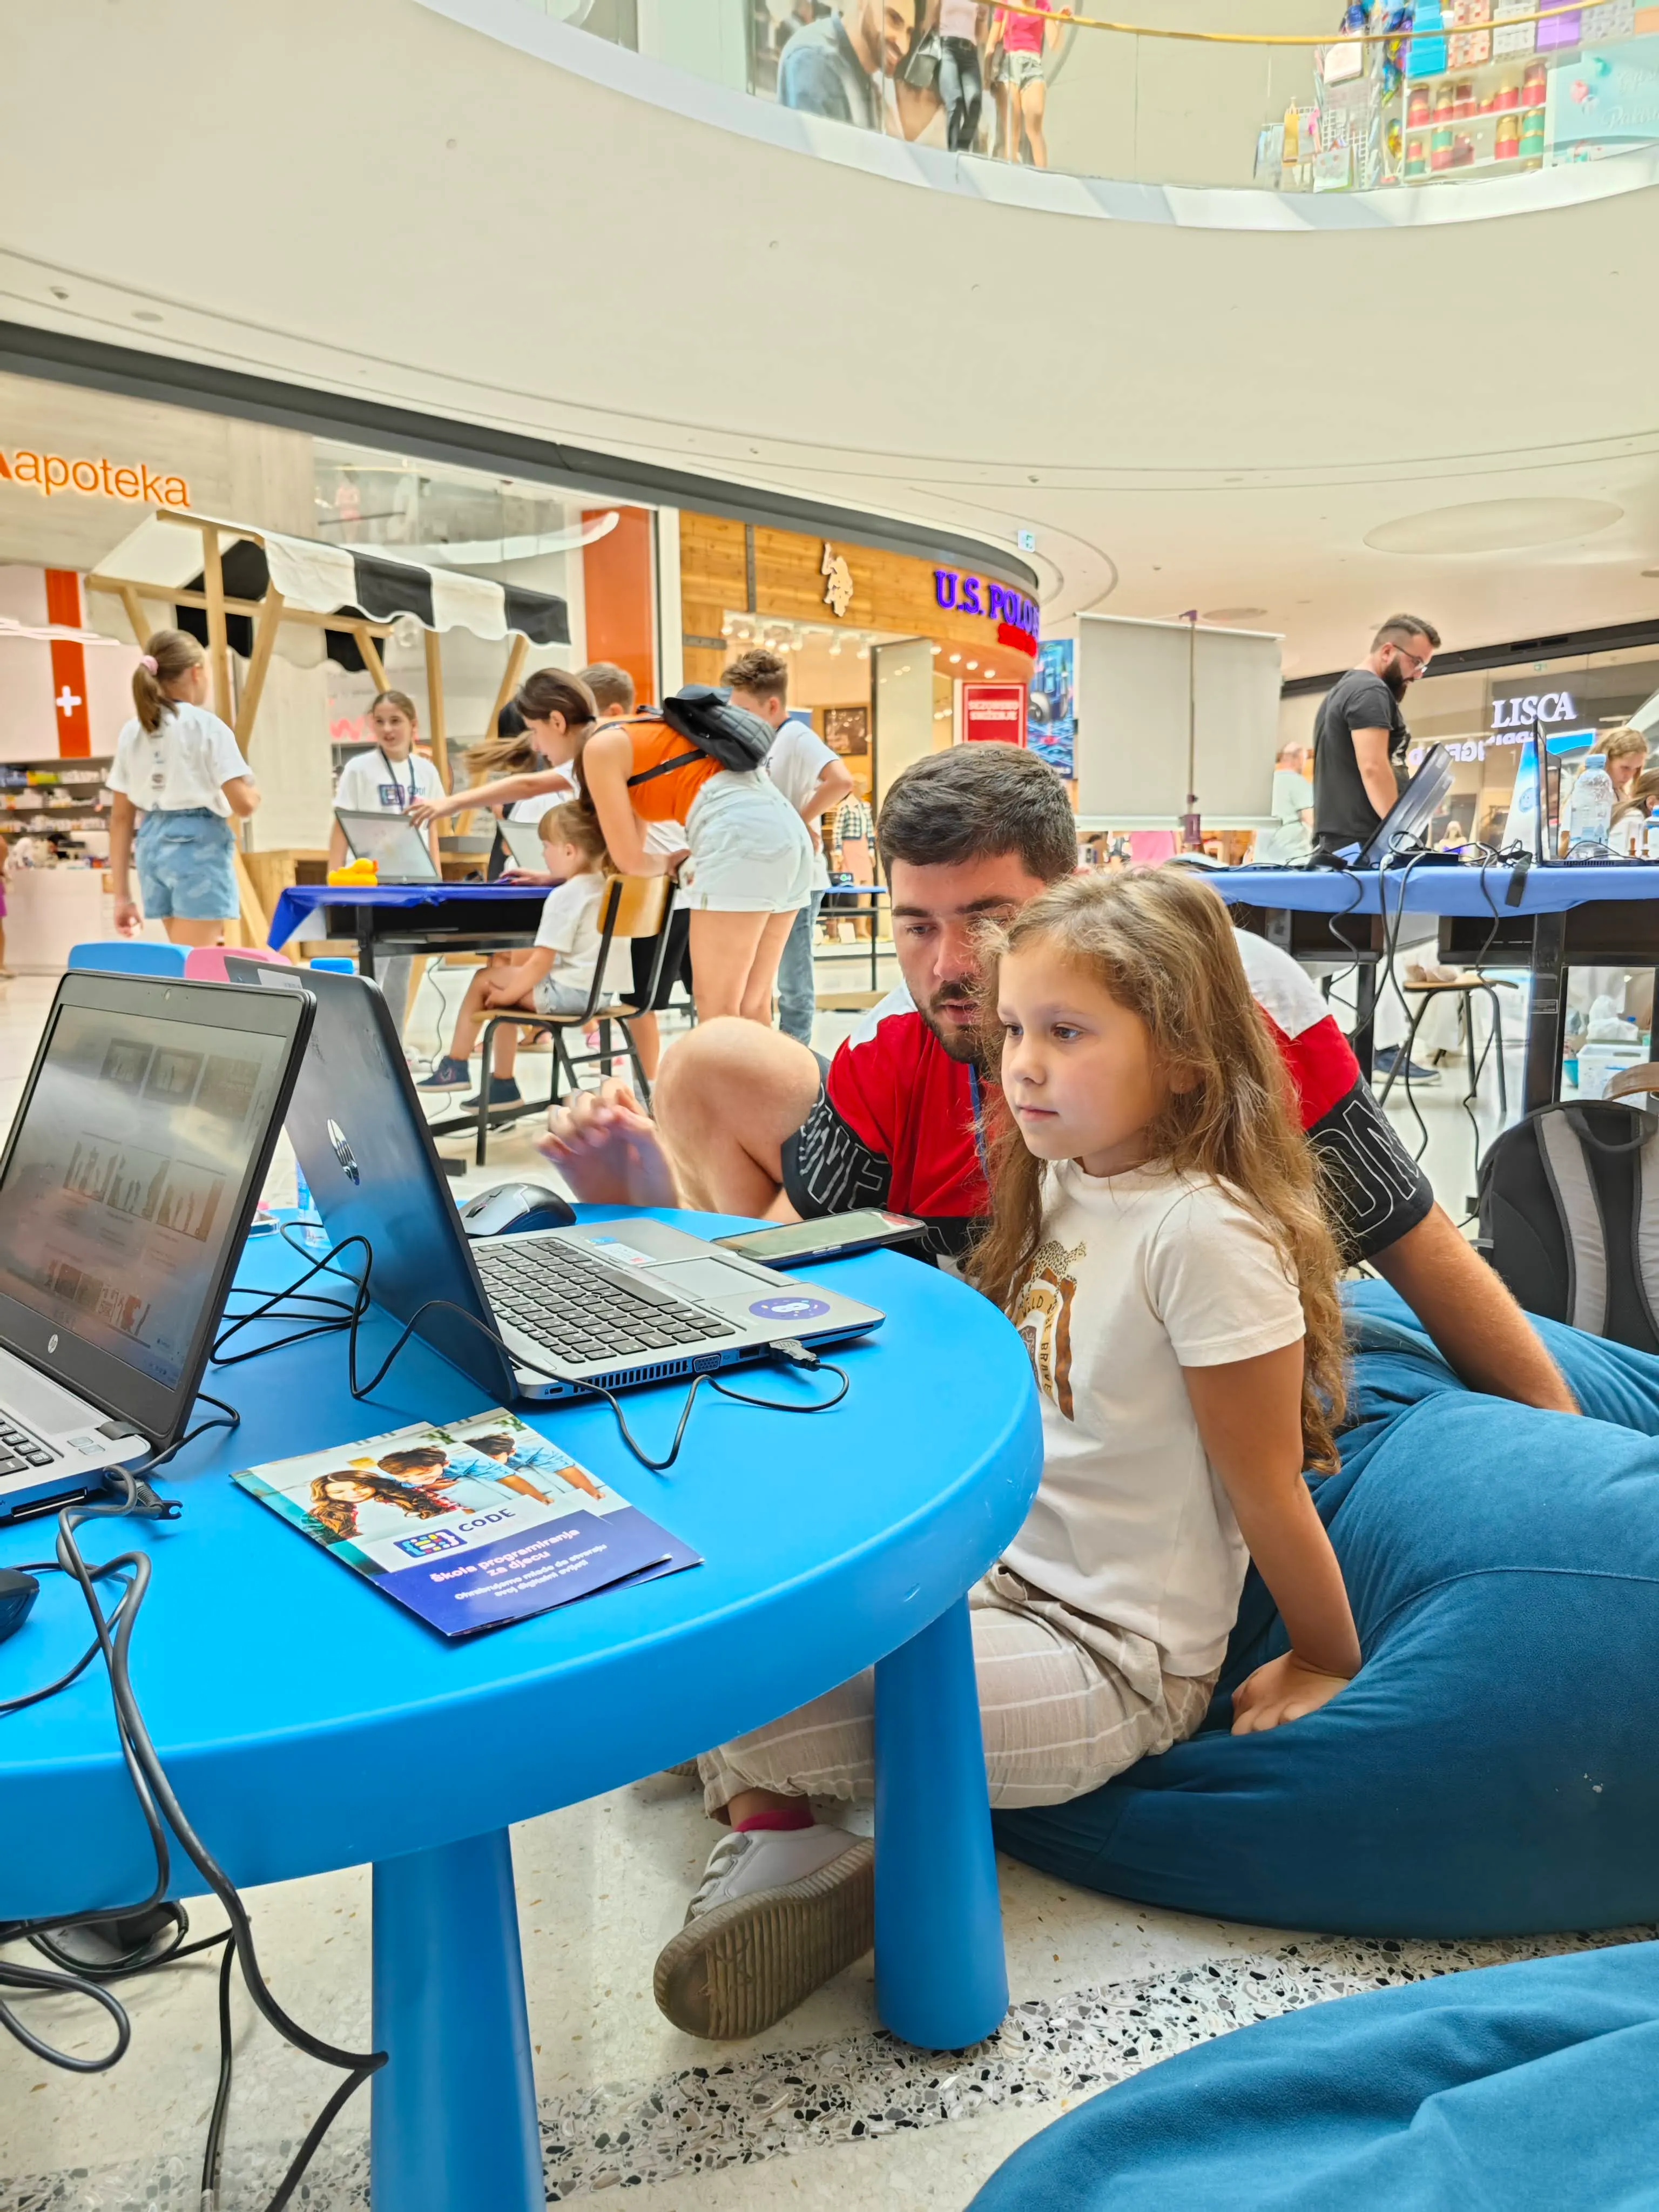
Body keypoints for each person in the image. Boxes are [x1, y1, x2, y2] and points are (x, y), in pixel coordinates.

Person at [651, 867, 1361, 2040]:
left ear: (1184, 1054)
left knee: (739, 1696)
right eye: (1018, 1028)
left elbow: (1265, 1480)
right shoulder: (1076, 1176)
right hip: (999, 1580)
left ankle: (802, 1838)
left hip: (1113, 1657)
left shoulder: (1207, 1236)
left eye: (1067, 1032)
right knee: (728, 1617)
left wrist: (1326, 1657)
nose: (1023, 1061)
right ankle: (805, 1835)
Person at [543, 743, 1576, 1415]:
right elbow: (789, 1268)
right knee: (712, 1056)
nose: (948, 967)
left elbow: (1417, 1248)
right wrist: (655, 1216)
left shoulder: (1234, 1009)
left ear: (1074, 898)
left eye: (989, 920)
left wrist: (1563, 1444)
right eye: (914, 925)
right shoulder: (889, 1043)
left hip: (1196, 1421)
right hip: (1005, 1398)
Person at [417, 801, 608, 1105]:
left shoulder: (565, 896)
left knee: (485, 979)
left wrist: (507, 998)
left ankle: (455, 1065)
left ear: (570, 851)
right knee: (502, 982)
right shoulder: (608, 887)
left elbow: (539, 962)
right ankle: (500, 1084)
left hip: (568, 996)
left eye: (547, 846)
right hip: (601, 996)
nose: (543, 854)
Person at [725, 648, 854, 1047]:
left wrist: (797, 820)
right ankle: (769, 1054)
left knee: (792, 977)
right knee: (761, 976)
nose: (737, 718)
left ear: (773, 704)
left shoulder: (796, 736)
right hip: (767, 877)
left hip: (798, 877)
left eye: (743, 708)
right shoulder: (760, 744)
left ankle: (795, 1057)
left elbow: (841, 780)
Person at [108, 629, 260, 947]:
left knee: (184, 955)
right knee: (194, 968)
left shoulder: (132, 732)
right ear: (196, 672)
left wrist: (122, 897)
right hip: (197, 847)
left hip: (152, 844)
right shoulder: (206, 726)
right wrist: (254, 793)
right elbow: (243, 805)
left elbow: (121, 819)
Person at [328, 688, 446, 1033]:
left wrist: (436, 878)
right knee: (374, 964)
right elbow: (341, 824)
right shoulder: (359, 769)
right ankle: (362, 1039)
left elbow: (433, 829)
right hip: (372, 879)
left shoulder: (425, 771)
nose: (388, 729)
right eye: (380, 722)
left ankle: (394, 1043)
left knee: (402, 966)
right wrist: (332, 878)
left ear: (413, 725)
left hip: (413, 879)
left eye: (396, 721)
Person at [1311, 615, 1440, 858]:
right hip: (1363, 845)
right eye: (1416, 663)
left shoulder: (1347, 689)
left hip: (1350, 845)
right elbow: (1373, 767)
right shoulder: (1370, 692)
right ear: (1388, 652)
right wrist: (1401, 837)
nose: (1418, 674)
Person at [991, 0, 1058, 166]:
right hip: (1010, 62)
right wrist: (988, 73)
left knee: (1034, 126)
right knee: (1012, 131)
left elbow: (1054, 44)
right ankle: (1011, 174)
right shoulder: (1006, 3)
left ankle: (1044, 178)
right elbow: (993, 40)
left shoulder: (1044, 5)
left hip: (1032, 64)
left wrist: (1060, 22)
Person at [937, 0, 987, 149]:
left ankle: (961, 149)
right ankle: (953, 152)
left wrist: (983, 18)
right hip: (948, 48)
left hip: (970, 52)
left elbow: (982, 37)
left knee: (975, 104)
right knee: (956, 100)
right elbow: (931, 18)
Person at [1255, 742, 1314, 865]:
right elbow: (1310, 818)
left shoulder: (1266, 782)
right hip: (1291, 857)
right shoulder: (1297, 782)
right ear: (1300, 759)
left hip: (1263, 856)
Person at [1591, 725, 1649, 806]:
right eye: (1625, 768)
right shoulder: (1588, 795)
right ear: (1607, 760)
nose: (1629, 775)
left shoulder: (1619, 793)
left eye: (1637, 768)